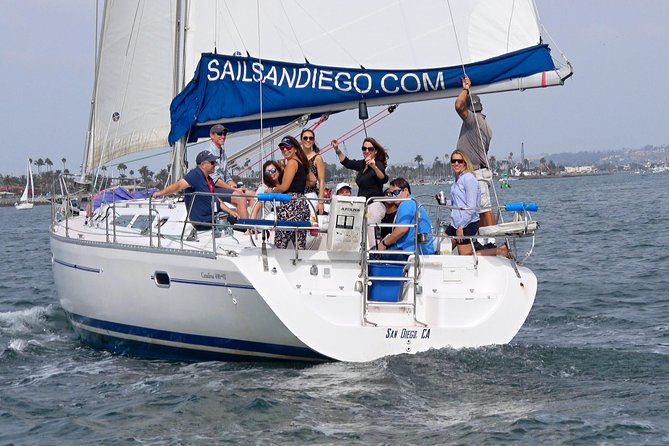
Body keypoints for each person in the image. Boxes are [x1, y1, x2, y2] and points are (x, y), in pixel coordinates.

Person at [455, 75, 496, 244]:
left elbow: (458, 105)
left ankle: (492, 242)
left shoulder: (473, 120)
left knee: (484, 209)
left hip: (476, 173)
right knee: (480, 210)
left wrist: (465, 89)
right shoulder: (485, 124)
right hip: (476, 172)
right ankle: (485, 241)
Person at [445, 149, 509, 257]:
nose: (456, 163)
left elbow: (472, 207)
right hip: (455, 223)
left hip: (467, 223)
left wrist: (461, 226)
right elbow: (456, 203)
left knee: (465, 256)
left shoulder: (469, 178)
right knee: (442, 248)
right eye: (453, 161)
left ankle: (500, 250)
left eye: (459, 161)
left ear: (464, 162)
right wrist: (444, 202)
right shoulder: (457, 179)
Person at [152, 150, 237, 231]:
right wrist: (160, 193)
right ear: (203, 164)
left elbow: (216, 199)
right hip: (203, 221)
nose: (214, 165)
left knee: (237, 218)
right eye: (212, 163)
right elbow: (178, 185)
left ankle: (248, 231)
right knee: (238, 224)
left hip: (213, 216)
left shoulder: (209, 179)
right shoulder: (195, 175)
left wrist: (230, 211)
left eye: (214, 162)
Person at [331, 137, 388, 246]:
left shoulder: (378, 164)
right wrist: (337, 150)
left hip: (374, 205)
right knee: (359, 234)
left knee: (371, 237)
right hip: (363, 206)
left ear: (375, 151)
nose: (366, 151)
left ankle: (376, 257)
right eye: (364, 148)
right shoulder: (362, 164)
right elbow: (347, 163)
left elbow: (383, 178)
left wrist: (374, 166)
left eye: (370, 149)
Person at [265, 136, 317, 249]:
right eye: (282, 148)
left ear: (295, 149)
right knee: (299, 245)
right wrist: (299, 184)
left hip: (290, 205)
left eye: (287, 147)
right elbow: (313, 180)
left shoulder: (292, 163)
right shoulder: (302, 163)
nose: (284, 150)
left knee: (280, 243)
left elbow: (284, 187)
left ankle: (277, 265)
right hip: (302, 204)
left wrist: (271, 190)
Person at [205, 124, 255, 219]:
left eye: (224, 134)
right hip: (212, 188)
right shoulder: (208, 153)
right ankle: (245, 228)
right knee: (240, 198)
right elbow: (214, 179)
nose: (223, 136)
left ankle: (253, 226)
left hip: (223, 187)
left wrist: (234, 186)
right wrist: (232, 189)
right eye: (220, 134)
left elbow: (226, 176)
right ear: (212, 135)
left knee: (253, 195)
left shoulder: (223, 153)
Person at [376, 177, 434, 256]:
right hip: (423, 250)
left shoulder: (406, 204)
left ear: (406, 191)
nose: (393, 196)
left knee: (373, 253)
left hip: (411, 252)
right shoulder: (414, 202)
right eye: (391, 194)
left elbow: (402, 229)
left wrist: (384, 244)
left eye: (396, 192)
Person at [300, 128, 326, 215]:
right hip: (297, 195)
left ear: (313, 141)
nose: (308, 140)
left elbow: (321, 180)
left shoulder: (317, 158)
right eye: (305, 138)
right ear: (301, 140)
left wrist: (321, 202)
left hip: (310, 195)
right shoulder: (297, 157)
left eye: (311, 138)